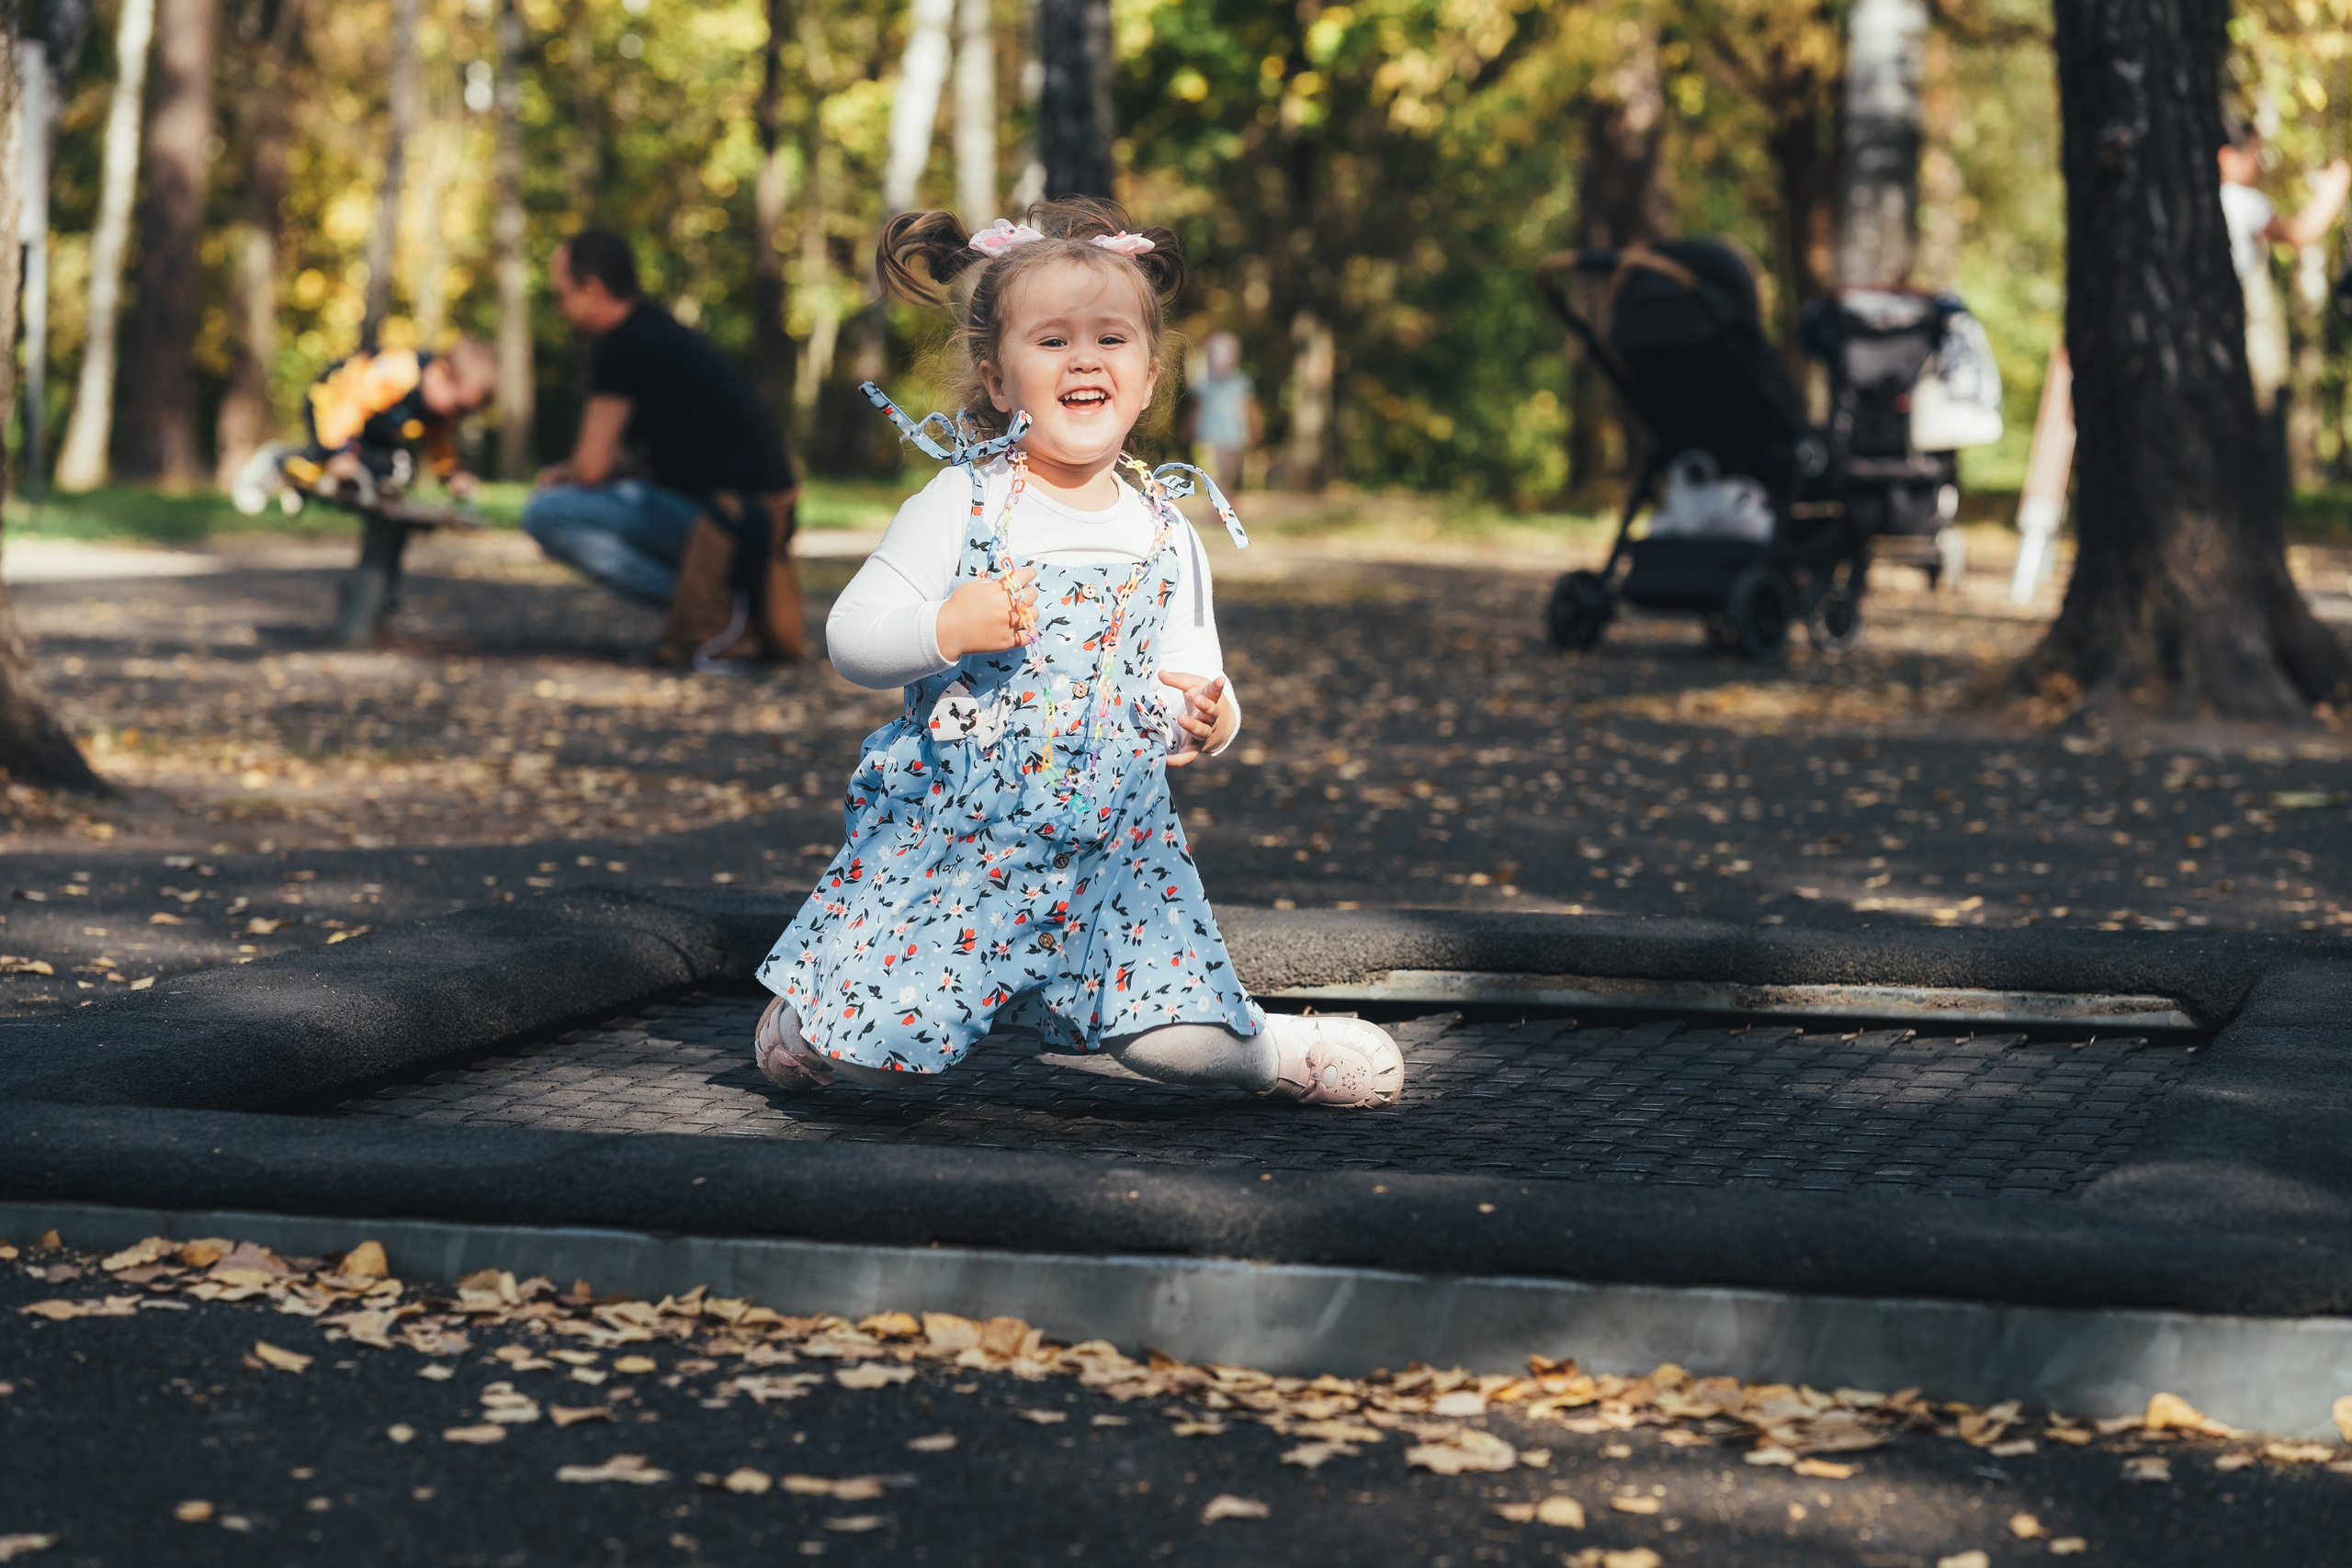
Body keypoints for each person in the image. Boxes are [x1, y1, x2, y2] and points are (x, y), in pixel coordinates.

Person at [747, 198, 1403, 1108]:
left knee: (1178, 1043)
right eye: (1052, 341)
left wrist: (1208, 718)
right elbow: (849, 636)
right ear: (997, 379)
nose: (1084, 358)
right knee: (874, 1067)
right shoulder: (963, 504)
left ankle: (1275, 1051)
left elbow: (1192, 672)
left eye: (1110, 339)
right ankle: (809, 1017)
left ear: (1149, 378)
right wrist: (945, 628)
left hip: (1115, 855)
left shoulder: (1165, 531)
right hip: (958, 851)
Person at [525, 229, 805, 665]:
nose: (559, 310)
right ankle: (720, 606)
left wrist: (566, 475)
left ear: (592, 289)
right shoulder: (658, 330)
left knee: (546, 512)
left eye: (561, 296)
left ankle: (711, 610)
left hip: (726, 521)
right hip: (762, 519)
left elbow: (592, 467)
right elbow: (645, 462)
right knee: (576, 499)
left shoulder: (620, 343)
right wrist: (574, 472)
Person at [231, 339, 497, 514]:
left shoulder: (435, 408)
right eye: (459, 408)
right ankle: (278, 462)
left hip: (367, 428)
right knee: (326, 461)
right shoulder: (399, 372)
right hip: (331, 404)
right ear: (439, 374)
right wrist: (343, 452)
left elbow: (439, 440)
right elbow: (352, 403)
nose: (458, 418)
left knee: (398, 467)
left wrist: (450, 474)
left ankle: (307, 484)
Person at [2218, 120, 2349, 426]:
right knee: (2267, 408)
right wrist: (2333, 193)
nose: (2261, 164)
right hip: (2250, 328)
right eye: (2255, 154)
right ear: (2227, 157)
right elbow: (2300, 235)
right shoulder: (2242, 200)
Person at [1182, 329, 1259, 497]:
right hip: (1208, 438)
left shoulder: (1241, 383)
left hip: (1235, 438)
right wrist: (1190, 432)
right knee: (1212, 475)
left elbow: (1250, 409)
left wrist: (1254, 432)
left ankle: (1229, 503)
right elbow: (1195, 410)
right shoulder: (1203, 384)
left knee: (1231, 475)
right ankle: (1215, 506)